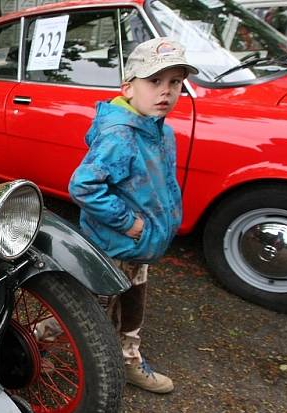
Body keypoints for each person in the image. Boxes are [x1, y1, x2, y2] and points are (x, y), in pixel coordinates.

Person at [68, 38, 198, 394]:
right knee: (91, 307)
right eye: (154, 81)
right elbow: (84, 186)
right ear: (128, 87)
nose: (166, 91)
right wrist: (132, 224)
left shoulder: (161, 133)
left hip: (140, 247)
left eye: (175, 82)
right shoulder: (120, 135)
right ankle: (54, 347)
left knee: (133, 302)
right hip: (115, 245)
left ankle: (127, 358)